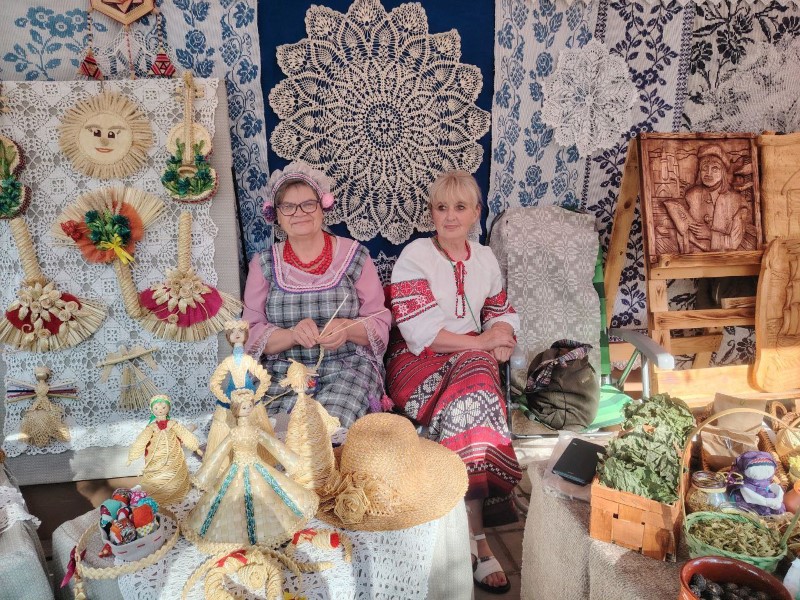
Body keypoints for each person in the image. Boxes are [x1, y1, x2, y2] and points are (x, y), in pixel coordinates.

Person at [386, 170, 522, 595]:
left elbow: (500, 311)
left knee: (476, 383)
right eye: (441, 207)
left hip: (469, 366)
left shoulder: (484, 258)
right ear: (431, 213)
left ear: (475, 213)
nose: (449, 216)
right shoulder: (415, 256)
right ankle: (478, 538)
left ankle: (463, 535)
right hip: (416, 365)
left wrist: (503, 336)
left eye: (459, 207)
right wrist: (483, 343)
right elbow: (420, 333)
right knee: (479, 375)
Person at [243, 161, 391, 427]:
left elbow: (379, 322)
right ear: (276, 215)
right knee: (269, 430)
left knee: (327, 427)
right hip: (283, 371)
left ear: (323, 207)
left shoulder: (354, 255)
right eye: (288, 206)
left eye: (308, 204)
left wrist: (346, 328)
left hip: (347, 367)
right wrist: (292, 335)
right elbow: (249, 333)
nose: (299, 213)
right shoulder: (264, 263)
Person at [183, 388, 318, 549]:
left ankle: (270, 530)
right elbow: (219, 454)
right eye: (243, 407)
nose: (247, 409)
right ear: (236, 410)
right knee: (230, 500)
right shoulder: (234, 433)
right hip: (237, 468)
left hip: (256, 465)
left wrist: (290, 460)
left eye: (249, 406)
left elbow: (272, 444)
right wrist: (206, 474)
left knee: (273, 492)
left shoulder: (255, 430)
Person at [127, 394, 203, 505]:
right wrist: (132, 456)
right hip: (156, 457)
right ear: (152, 410)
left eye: (163, 407)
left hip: (173, 455)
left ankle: (176, 489)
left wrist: (195, 447)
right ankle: (159, 490)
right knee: (156, 473)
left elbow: (184, 434)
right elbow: (141, 440)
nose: (160, 410)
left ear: (168, 408)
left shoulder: (173, 424)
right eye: (156, 408)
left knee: (175, 469)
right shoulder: (151, 427)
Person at [682, 144, 750, 252]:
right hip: (693, 257)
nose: (708, 173)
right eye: (705, 168)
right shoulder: (691, 195)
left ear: (723, 173)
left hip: (727, 259)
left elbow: (734, 243)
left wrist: (710, 235)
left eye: (715, 169)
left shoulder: (737, 201)